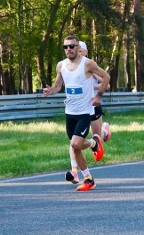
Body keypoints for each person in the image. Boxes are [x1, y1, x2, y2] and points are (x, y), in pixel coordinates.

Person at [44, 35, 110, 191]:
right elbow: (58, 85)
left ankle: (94, 143)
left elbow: (106, 77)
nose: (68, 50)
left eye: (72, 46)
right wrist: (50, 91)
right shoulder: (61, 65)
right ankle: (88, 179)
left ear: (78, 48)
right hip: (70, 113)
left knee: (75, 143)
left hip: (84, 112)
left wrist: (98, 96)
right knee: (75, 148)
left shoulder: (87, 64)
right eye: (65, 47)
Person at [64, 41, 111, 184]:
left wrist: (91, 87)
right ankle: (74, 172)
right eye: (67, 48)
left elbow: (106, 84)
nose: (76, 53)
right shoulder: (69, 66)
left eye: (80, 51)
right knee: (74, 142)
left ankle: (104, 132)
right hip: (78, 107)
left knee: (97, 137)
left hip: (92, 104)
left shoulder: (89, 66)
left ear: (84, 51)